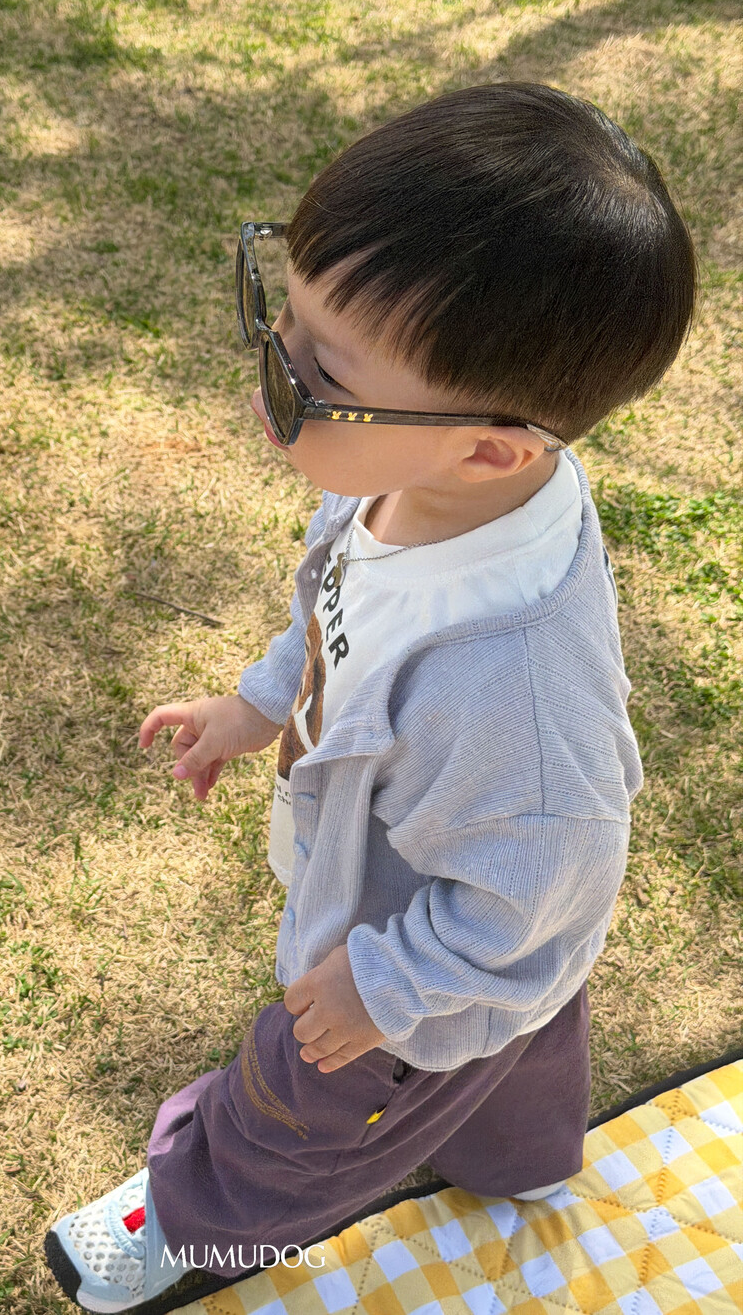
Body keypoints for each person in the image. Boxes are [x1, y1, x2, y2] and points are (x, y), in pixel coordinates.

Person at [44, 81, 696, 1312]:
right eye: (276, 320)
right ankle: (520, 1156)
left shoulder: (513, 698)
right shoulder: (424, 479)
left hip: (410, 954)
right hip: (479, 945)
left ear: (490, 444)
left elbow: (541, 890)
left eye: (311, 377)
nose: (264, 384)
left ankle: (197, 1216)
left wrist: (382, 987)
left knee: (293, 1104)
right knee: (515, 1036)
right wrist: (256, 705)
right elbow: (334, 607)